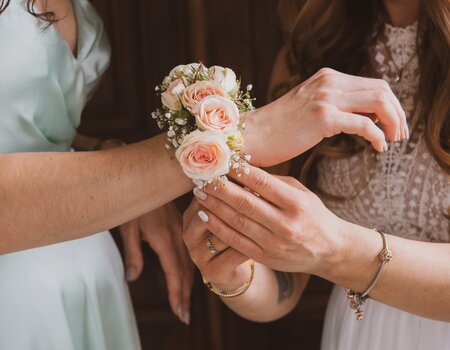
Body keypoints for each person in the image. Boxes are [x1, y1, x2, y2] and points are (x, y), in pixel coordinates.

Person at [0, 0, 407, 349]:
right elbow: (282, 285)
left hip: (83, 279)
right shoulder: (319, 46)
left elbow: (31, 130)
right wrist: (232, 267)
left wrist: (114, 172)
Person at [183, 0, 450, 349]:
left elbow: (321, 246)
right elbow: (285, 283)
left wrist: (333, 247)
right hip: (359, 334)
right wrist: (234, 269)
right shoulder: (313, 50)